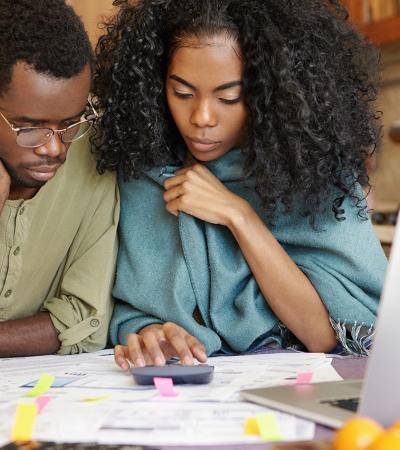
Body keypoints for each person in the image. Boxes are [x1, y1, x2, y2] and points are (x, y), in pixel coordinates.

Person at [93, 0, 387, 369]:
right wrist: (154, 333)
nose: (201, 118)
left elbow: (326, 334)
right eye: (182, 93)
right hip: (185, 398)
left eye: (229, 97)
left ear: (271, 93)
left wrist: (238, 215)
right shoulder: (142, 175)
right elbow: (133, 311)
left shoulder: (316, 179)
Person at [0, 0, 119, 356]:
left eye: (70, 123)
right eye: (30, 128)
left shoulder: (94, 153)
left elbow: (85, 322)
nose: (54, 149)